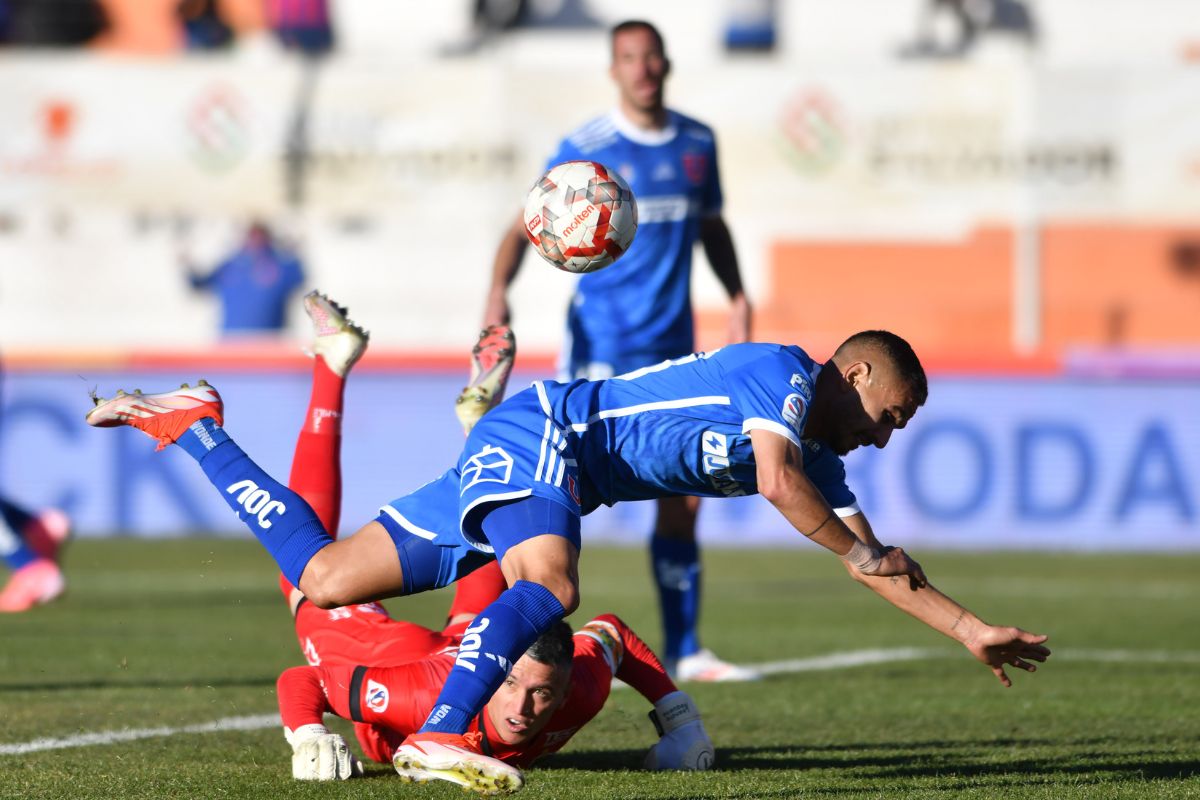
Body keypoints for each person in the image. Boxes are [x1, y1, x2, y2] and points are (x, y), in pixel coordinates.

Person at [86, 312, 1051, 795]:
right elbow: (777, 483)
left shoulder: (818, 455)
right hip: (548, 434)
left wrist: (968, 629)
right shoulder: (782, 377)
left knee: (325, 578)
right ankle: (441, 735)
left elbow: (873, 557)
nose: (885, 437)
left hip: (532, 459)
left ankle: (194, 426)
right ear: (857, 371)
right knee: (549, 585)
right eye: (890, 415)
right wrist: (857, 549)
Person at [274, 294, 713, 785]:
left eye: (543, 694)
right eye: (512, 684)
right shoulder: (422, 694)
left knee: (486, 544)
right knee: (306, 575)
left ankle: (478, 434)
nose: (522, 710)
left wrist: (677, 720)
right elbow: (304, 680)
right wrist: (309, 733)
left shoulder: (579, 688)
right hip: (408, 659)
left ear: (564, 689)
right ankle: (338, 373)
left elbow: (609, 636)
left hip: (465, 648)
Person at [484, 19, 755, 682]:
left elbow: (711, 226)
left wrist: (738, 295)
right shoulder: (586, 149)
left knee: (685, 493)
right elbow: (525, 226)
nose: (643, 69)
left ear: (666, 63)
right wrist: (497, 292)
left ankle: (685, 648)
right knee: (552, 497)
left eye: (651, 57)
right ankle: (502, 636)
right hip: (599, 350)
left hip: (672, 348)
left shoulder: (697, 143)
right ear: (614, 69)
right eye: (629, 58)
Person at [181, 219, 306, 336]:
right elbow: (199, 284)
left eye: (259, 235)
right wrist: (187, 264)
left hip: (268, 341)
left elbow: (299, 279)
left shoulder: (279, 265)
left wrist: (293, 251)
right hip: (232, 340)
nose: (255, 240)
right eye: (252, 235)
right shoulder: (230, 265)